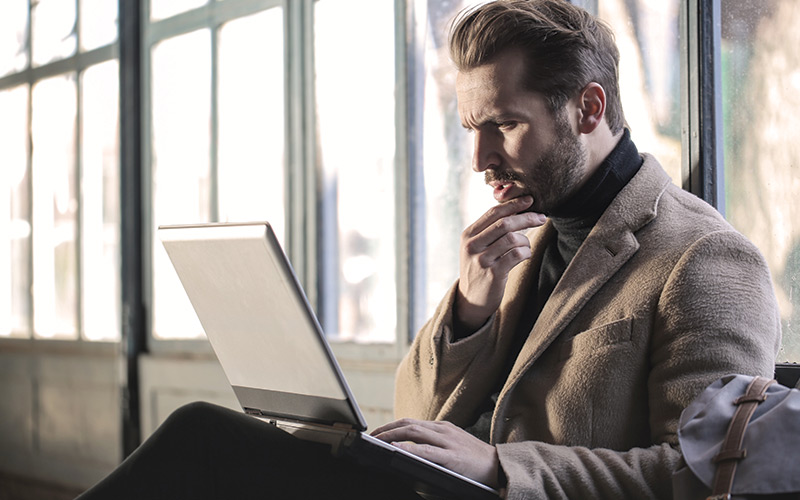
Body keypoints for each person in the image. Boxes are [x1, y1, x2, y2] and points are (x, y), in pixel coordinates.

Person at [76, 1, 781, 499]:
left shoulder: (706, 259)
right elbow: (414, 409)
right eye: (472, 127)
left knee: (205, 446)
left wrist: (503, 468)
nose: (480, 159)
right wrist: (472, 306)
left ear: (588, 110)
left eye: (504, 124)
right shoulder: (523, 238)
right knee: (208, 444)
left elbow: (707, 479)